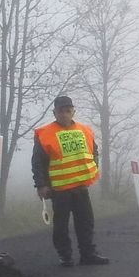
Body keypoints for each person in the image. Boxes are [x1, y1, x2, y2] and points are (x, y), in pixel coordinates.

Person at [32, 95, 109, 267]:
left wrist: (93, 167)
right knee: (61, 226)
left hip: (81, 187)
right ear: (54, 112)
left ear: (73, 111)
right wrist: (41, 185)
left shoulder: (85, 130)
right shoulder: (45, 134)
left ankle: (88, 254)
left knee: (86, 222)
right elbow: (38, 162)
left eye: (68, 111)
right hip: (60, 189)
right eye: (61, 111)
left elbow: (94, 151)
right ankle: (65, 256)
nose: (65, 114)